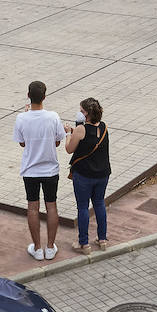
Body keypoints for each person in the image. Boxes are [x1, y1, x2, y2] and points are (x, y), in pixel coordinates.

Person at [15, 80, 64, 261]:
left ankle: (37, 248)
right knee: (51, 206)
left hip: (30, 170)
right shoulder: (53, 117)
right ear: (44, 96)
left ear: (28, 96)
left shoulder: (22, 118)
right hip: (50, 169)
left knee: (33, 207)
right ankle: (50, 247)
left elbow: (22, 142)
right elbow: (58, 141)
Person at [64, 97, 110, 254]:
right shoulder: (104, 127)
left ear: (88, 114)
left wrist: (68, 134)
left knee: (83, 207)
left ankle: (84, 243)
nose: (80, 113)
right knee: (99, 203)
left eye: (82, 111)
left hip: (84, 175)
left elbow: (70, 149)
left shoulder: (80, 130)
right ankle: (102, 239)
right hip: (103, 174)